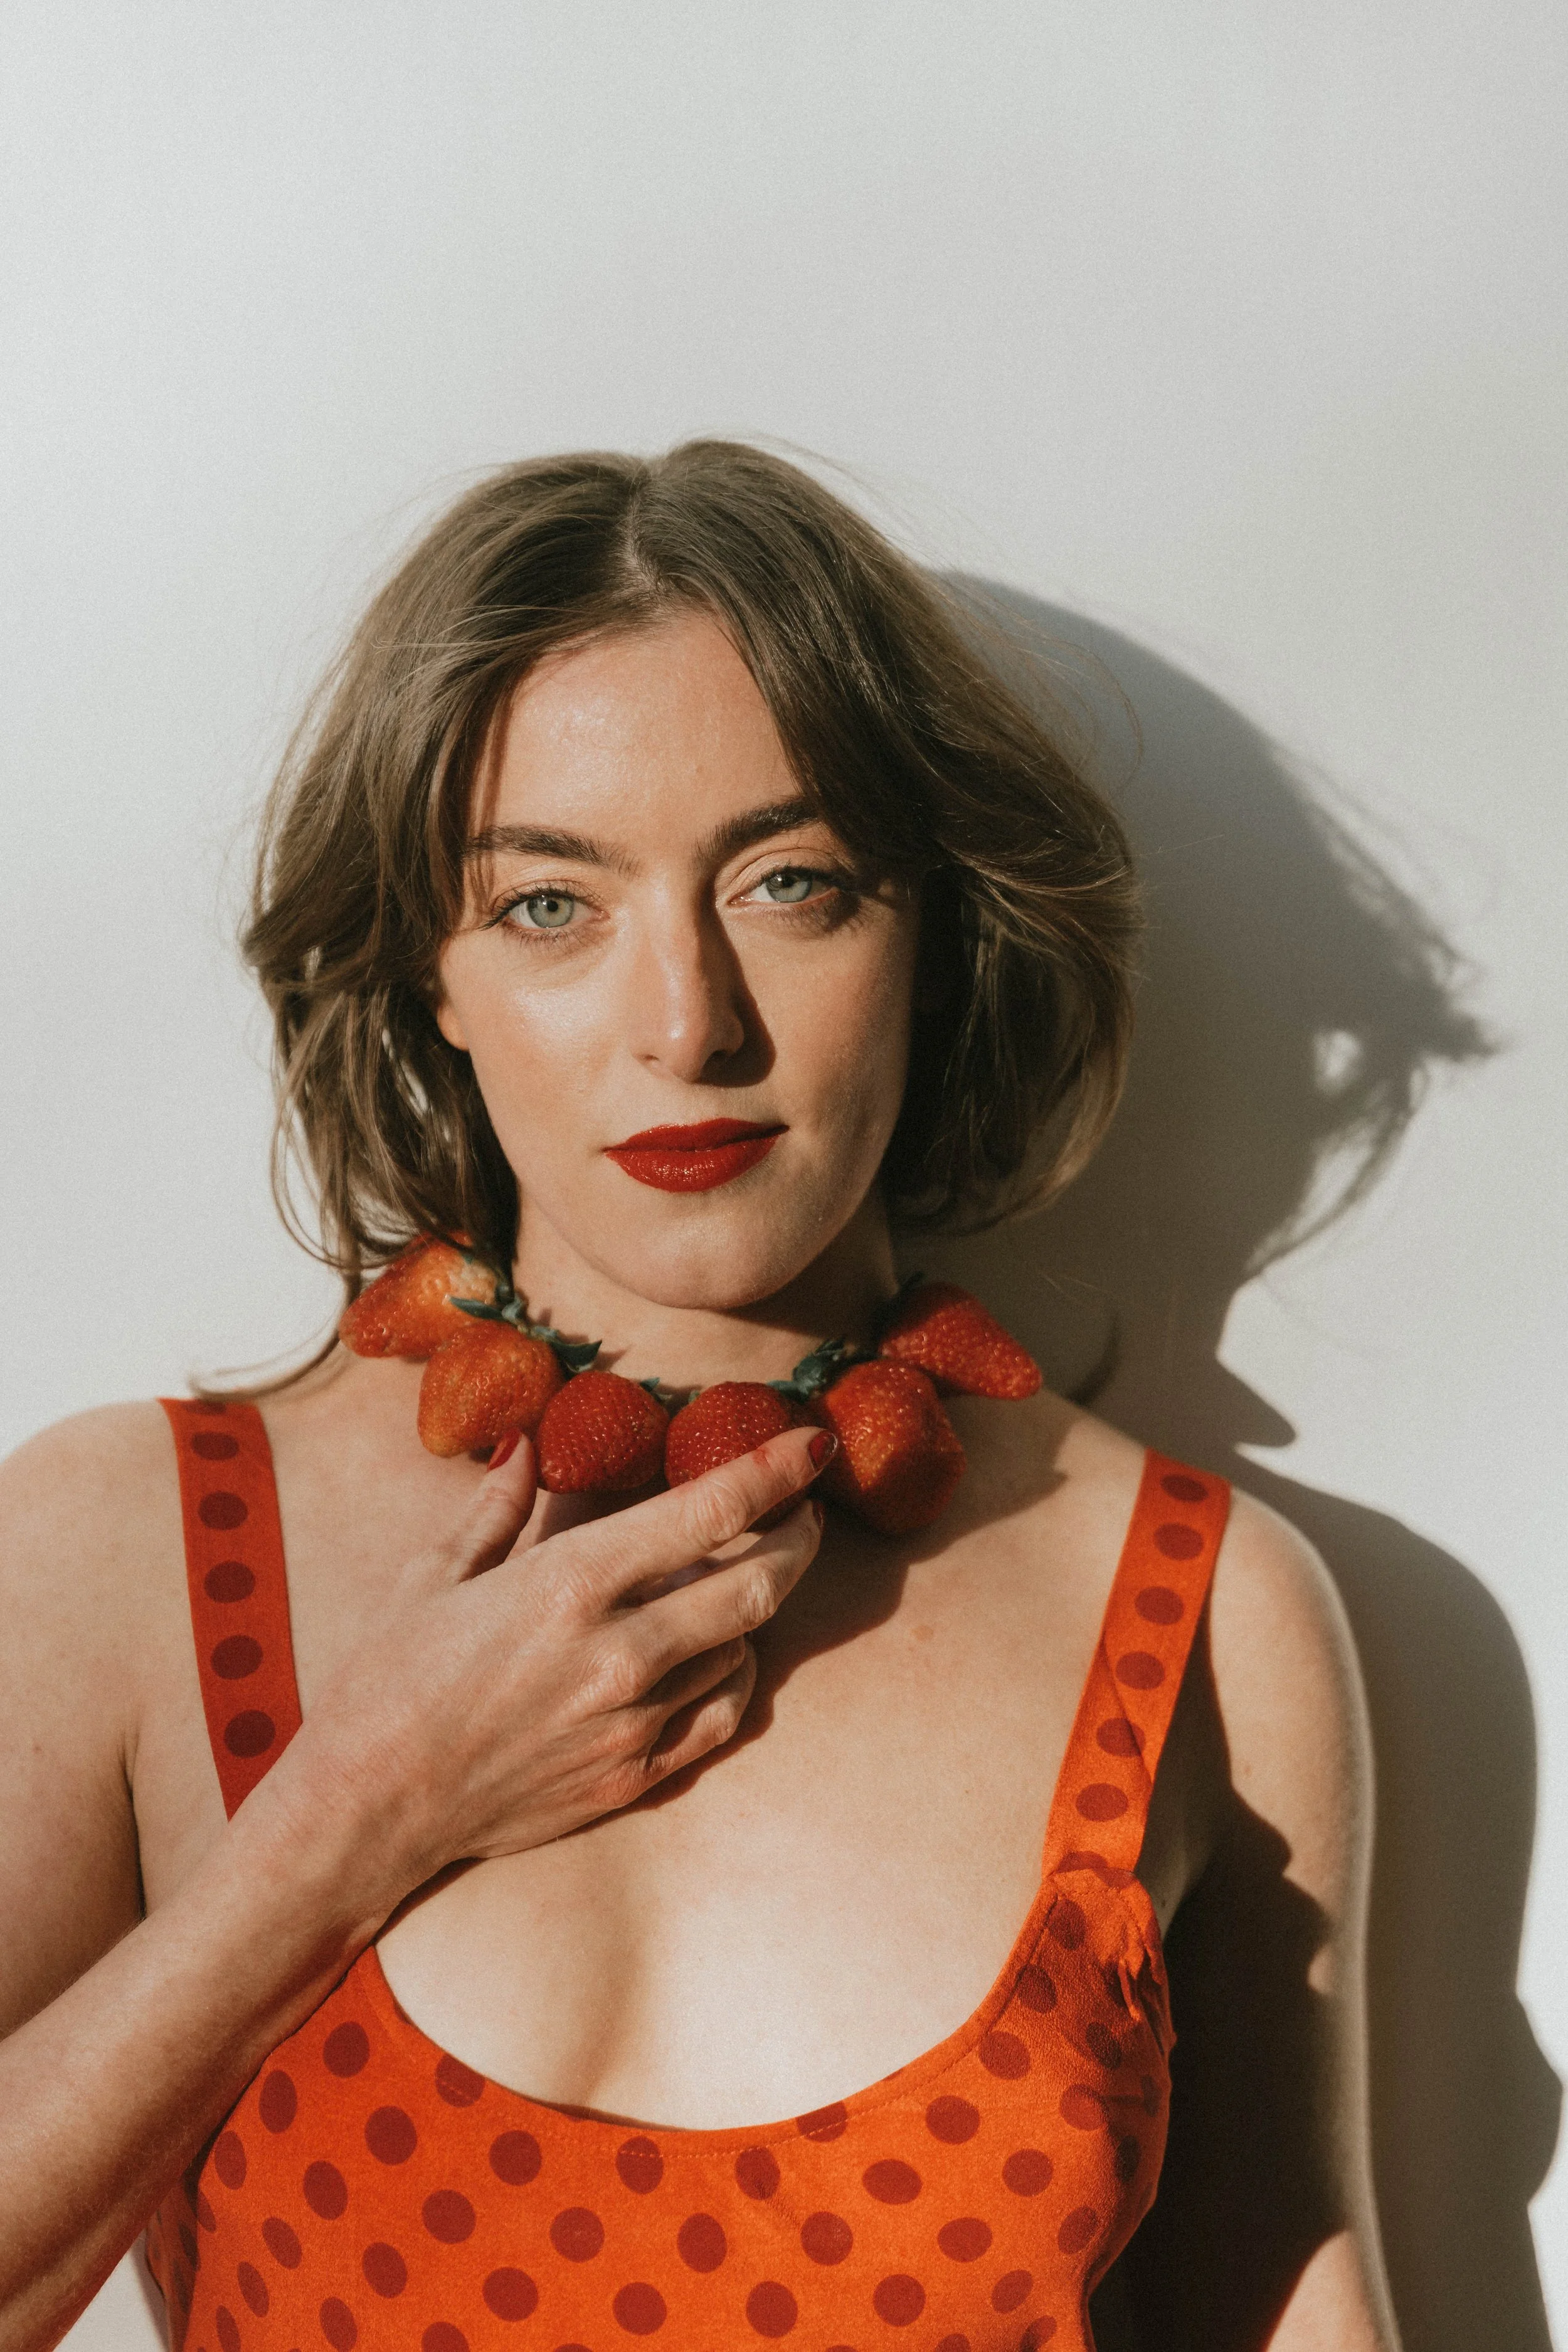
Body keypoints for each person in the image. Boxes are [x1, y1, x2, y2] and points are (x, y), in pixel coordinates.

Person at [0, 442, 1399, 2351]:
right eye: (551, 906)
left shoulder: (1205, 1607)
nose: (688, 1019)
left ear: (936, 929)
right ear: (432, 975)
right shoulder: (126, 1547)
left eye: (791, 882)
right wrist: (360, 1811)